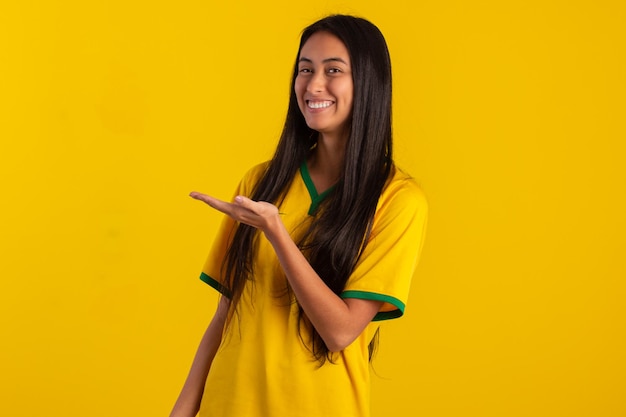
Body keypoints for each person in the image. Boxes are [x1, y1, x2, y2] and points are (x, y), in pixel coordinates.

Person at [170, 14, 428, 417]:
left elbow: (340, 331)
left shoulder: (398, 200)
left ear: (369, 83)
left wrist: (277, 232)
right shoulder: (260, 181)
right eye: (305, 69)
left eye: (333, 70)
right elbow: (225, 316)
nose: (313, 85)